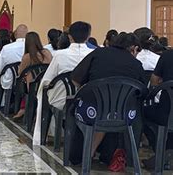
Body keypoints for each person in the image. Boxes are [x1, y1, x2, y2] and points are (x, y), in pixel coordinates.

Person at [70, 32, 146, 172]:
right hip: (124, 116)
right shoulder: (136, 64)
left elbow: (75, 78)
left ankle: (85, 154)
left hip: (91, 112)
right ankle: (129, 159)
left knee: (98, 110)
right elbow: (142, 91)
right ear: (134, 48)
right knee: (116, 111)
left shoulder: (98, 53)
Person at [33, 21, 93, 145]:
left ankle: (49, 134)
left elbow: (47, 80)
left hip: (62, 101)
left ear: (69, 37)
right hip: (88, 101)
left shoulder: (60, 55)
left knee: (45, 91)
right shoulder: (94, 54)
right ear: (88, 36)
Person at [16, 31, 52, 118]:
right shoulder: (47, 53)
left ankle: (23, 108)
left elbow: (20, 73)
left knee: (21, 83)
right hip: (47, 84)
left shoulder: (27, 57)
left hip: (33, 87)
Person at [0, 24, 28, 106]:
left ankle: (1, 103)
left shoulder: (7, 48)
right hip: (27, 82)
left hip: (9, 80)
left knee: (0, 76)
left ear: (15, 35)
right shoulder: (32, 48)